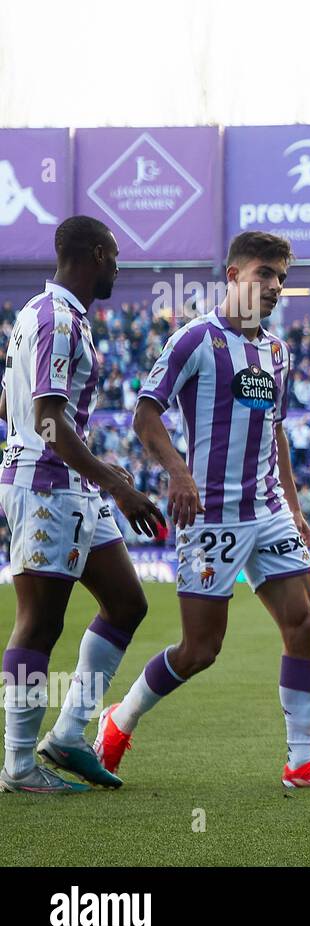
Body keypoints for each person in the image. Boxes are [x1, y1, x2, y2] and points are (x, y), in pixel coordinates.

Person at [96, 231, 310, 790]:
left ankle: (301, 761)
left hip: (266, 510)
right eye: (265, 274)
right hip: (211, 516)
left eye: (282, 278)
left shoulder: (277, 351)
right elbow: (146, 417)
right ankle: (119, 720)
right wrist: (179, 472)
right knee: (201, 649)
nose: (274, 287)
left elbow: (277, 432)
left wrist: (293, 507)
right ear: (234, 275)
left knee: (304, 624)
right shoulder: (194, 340)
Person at [0, 216, 164, 794]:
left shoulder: (35, 315)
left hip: (69, 482)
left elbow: (7, 405)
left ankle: (68, 736)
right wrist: (116, 483)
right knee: (39, 622)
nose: (118, 266)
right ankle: (19, 766)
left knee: (126, 603)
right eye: (115, 255)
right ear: (95, 253)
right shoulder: (61, 320)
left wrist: (95, 473)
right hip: (46, 484)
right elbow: (46, 419)